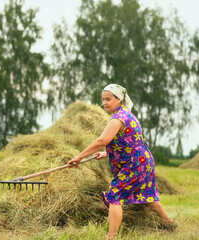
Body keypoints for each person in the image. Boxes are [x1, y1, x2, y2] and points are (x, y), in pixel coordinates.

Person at [67, 84, 177, 239]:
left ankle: (111, 236)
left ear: (119, 99)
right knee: (145, 194)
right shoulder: (127, 114)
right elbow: (128, 143)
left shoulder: (118, 119)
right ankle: (170, 224)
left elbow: (102, 140)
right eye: (103, 99)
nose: (105, 102)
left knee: (115, 195)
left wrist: (79, 157)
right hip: (143, 160)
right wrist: (106, 154)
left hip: (135, 163)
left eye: (109, 99)